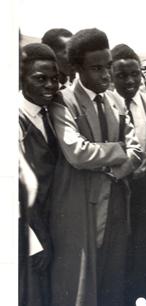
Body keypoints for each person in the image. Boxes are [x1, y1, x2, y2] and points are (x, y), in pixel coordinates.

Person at [49, 28, 143, 306]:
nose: (105, 75)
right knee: (80, 286)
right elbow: (77, 152)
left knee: (113, 283)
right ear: (77, 68)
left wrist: (114, 169)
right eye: (97, 68)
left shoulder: (116, 100)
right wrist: (118, 151)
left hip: (115, 203)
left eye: (108, 67)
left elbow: (137, 151)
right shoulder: (62, 101)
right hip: (79, 206)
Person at [110, 43, 146, 306]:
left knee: (143, 250)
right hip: (118, 189)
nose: (129, 81)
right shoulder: (107, 103)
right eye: (121, 75)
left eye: (135, 74)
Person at [19, 42, 60, 306]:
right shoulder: (13, 118)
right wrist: (34, 240)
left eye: (55, 79)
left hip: (53, 225)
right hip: (29, 232)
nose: (50, 85)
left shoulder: (51, 113)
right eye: (40, 79)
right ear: (22, 78)